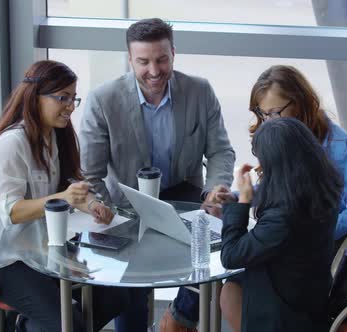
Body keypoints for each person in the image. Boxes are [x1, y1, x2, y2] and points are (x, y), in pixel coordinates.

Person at [78, 18, 235, 332]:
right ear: (130, 58)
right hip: (125, 202)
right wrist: (108, 212)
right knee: (133, 285)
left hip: (184, 194)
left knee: (222, 247)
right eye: (143, 61)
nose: (154, 70)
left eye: (162, 59)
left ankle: (177, 319)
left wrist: (214, 189)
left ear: (173, 53)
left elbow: (220, 152)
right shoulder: (102, 100)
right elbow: (90, 174)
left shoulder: (199, 91)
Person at [0, 60, 133, 332]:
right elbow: (12, 212)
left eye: (73, 98)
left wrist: (91, 204)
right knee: (68, 325)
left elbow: (70, 183)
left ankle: (28, 323)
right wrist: (63, 199)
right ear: (35, 97)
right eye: (62, 98)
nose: (70, 106)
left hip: (40, 250)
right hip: (1, 259)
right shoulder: (11, 144)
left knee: (116, 295)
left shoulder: (55, 136)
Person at [210, 65, 347, 332]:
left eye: (276, 112)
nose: (269, 121)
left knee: (236, 270)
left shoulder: (340, 146)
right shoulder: (278, 139)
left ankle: (177, 319)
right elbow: (279, 192)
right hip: (283, 237)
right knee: (227, 284)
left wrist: (308, 231)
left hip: (318, 247)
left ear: (299, 103)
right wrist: (235, 197)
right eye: (263, 114)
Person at [221, 117, 343, 331]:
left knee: (230, 286)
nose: (260, 167)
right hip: (311, 300)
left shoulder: (283, 217)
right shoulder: (322, 190)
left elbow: (230, 255)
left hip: (283, 315)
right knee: (231, 287)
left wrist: (242, 203)